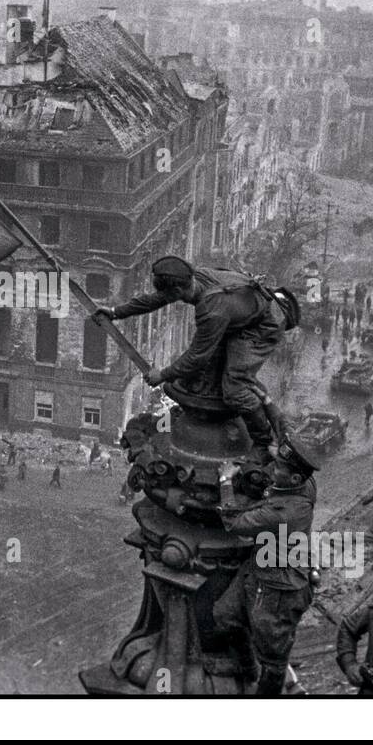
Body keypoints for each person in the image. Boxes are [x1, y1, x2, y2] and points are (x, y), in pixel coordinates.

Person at [94, 256, 299, 465]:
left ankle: (263, 442)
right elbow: (156, 299)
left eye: (168, 294)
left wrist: (162, 375)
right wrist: (115, 312)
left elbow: (197, 357)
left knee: (235, 388)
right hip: (248, 313)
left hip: (263, 326)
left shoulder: (211, 310)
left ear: (177, 291)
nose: (165, 297)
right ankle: (259, 404)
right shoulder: (194, 277)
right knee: (218, 372)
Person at [211, 436, 320, 695]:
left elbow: (233, 523)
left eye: (279, 468)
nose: (272, 470)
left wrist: (226, 480)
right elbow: (283, 460)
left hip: (279, 590)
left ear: (294, 479)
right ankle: (249, 669)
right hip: (259, 568)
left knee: (273, 660)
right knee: (225, 616)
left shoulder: (283, 513)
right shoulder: (306, 486)